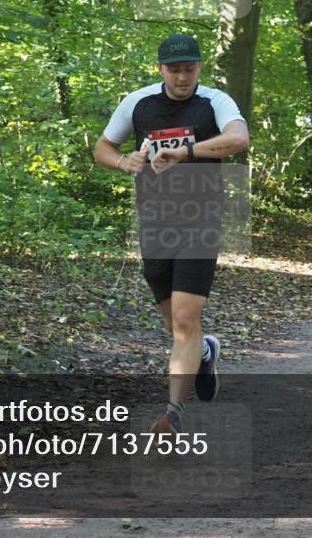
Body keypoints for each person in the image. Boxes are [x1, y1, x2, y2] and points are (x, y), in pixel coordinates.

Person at [93, 33, 250, 434]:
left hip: (201, 221)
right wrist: (123, 163)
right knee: (174, 325)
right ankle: (206, 351)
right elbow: (103, 148)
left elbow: (238, 139)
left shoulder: (214, 102)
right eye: (175, 70)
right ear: (160, 69)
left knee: (183, 322)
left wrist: (186, 152)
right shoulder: (138, 102)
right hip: (156, 223)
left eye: (190, 69)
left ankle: (173, 414)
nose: (183, 78)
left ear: (199, 68)